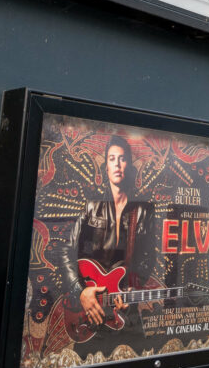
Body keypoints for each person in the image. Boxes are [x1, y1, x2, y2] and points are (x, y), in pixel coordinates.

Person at [56, 134, 155, 334]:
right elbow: (67, 250)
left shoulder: (143, 211)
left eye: (122, 158)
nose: (117, 164)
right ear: (106, 167)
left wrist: (132, 289)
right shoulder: (92, 207)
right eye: (112, 159)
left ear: (129, 167)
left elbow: (147, 258)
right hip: (89, 310)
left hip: (124, 311)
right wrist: (80, 291)